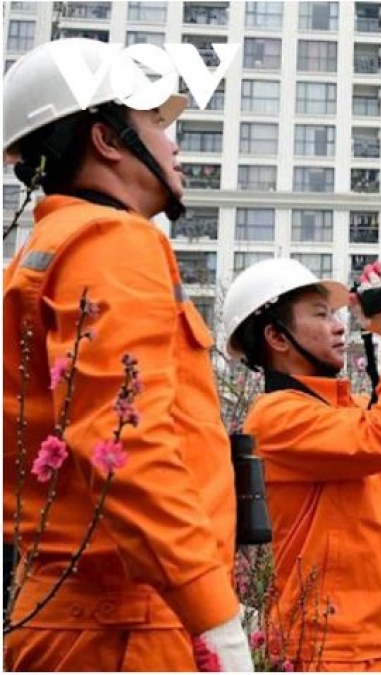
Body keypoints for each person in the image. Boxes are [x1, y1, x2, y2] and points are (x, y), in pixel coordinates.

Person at [2, 39, 252, 670]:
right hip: (120, 629)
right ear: (108, 140)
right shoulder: (113, 241)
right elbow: (123, 445)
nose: (174, 146)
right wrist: (216, 615)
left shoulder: (47, 251)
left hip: (77, 616)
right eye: (155, 125)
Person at [223, 257, 381, 671]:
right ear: (277, 336)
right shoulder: (275, 418)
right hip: (331, 655)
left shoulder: (357, 412)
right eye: (322, 315)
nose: (340, 326)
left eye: (338, 315)